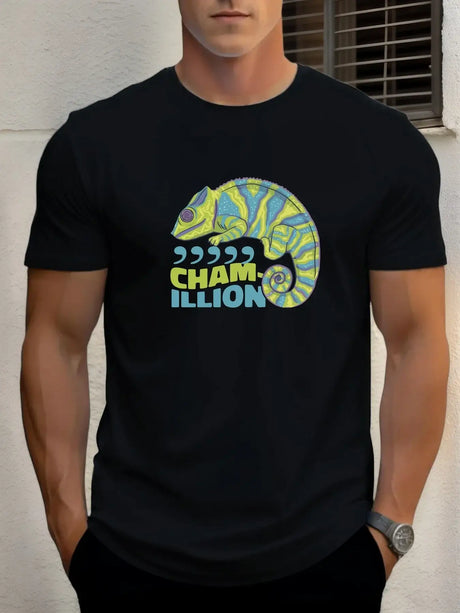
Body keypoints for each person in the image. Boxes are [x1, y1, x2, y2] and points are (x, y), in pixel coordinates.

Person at [20, 1, 450, 611]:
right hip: (132, 561)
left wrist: (386, 534)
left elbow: (417, 342)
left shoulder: (382, 146)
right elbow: (55, 343)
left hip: (326, 560)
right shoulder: (92, 148)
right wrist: (73, 538)